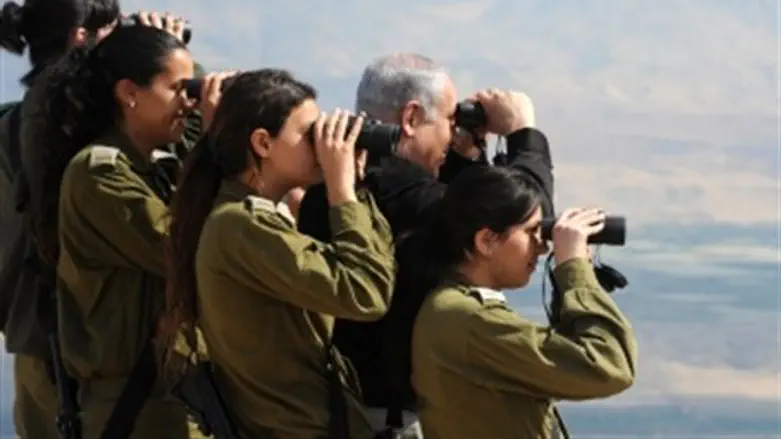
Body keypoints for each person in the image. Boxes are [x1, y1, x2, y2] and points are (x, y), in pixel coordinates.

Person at [296, 51, 554, 434]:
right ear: (411, 118)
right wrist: (523, 133)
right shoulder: (408, 199)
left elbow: (433, 199)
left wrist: (462, 158)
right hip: (391, 421)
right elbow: (522, 220)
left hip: (347, 408)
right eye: (450, 122)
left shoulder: (333, 187)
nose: (452, 135)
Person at [161, 69, 396, 439]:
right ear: (263, 143)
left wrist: (356, 184)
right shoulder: (240, 226)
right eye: (308, 133)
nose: (321, 143)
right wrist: (344, 192)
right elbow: (366, 292)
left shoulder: (253, 219)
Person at [37, 24, 227, 439]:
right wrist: (215, 148)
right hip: (135, 405)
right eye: (177, 89)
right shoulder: (99, 175)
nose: (188, 103)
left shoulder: (159, 168)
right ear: (129, 93)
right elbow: (187, 250)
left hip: (172, 395)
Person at [398, 165, 637, 439]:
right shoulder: (467, 319)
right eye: (531, 232)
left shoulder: (454, 309)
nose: (542, 246)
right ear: (486, 241)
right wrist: (573, 268)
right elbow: (609, 366)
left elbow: (565, 363)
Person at [0, 1, 120, 437]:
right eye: (115, 34)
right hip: (91, 349)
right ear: (80, 39)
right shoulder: (85, 131)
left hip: (32, 335)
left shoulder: (11, 124)